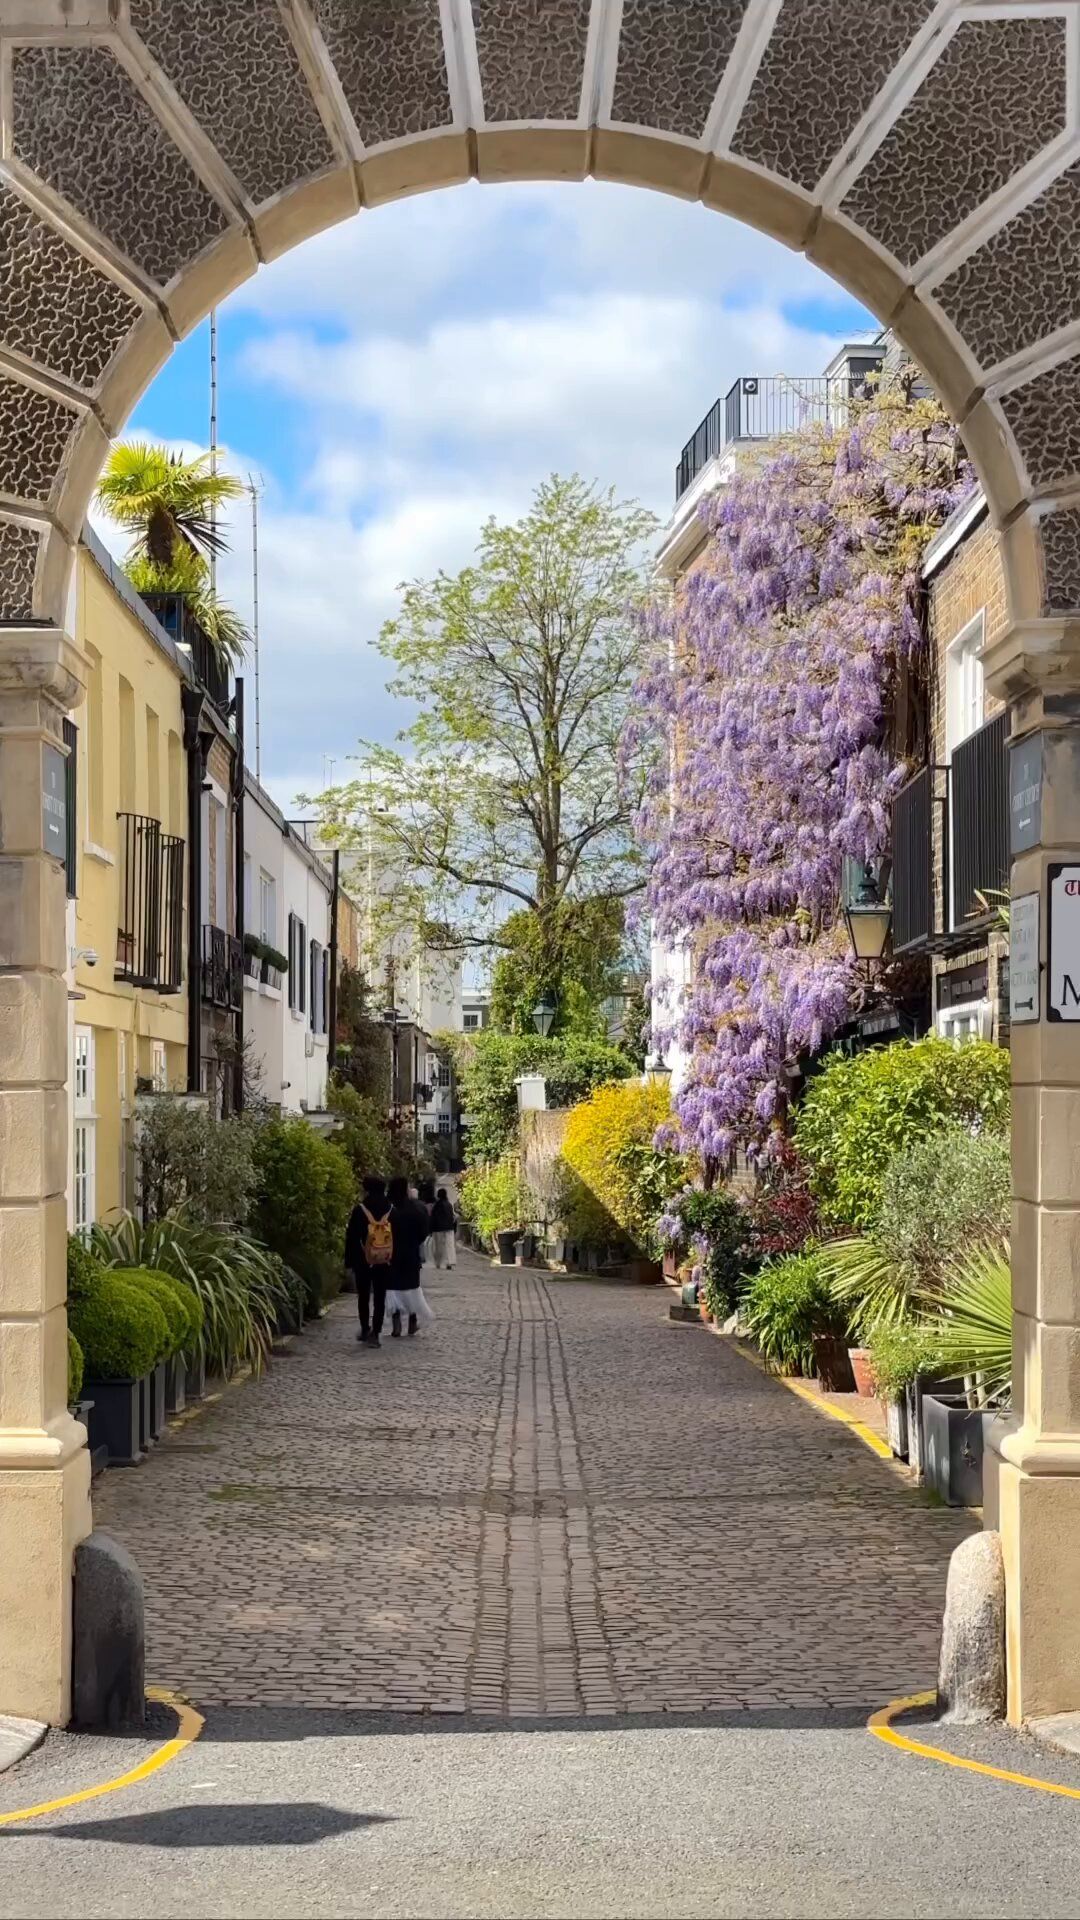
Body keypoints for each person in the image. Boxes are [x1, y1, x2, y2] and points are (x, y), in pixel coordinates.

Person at [344, 1174, 393, 1348]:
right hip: (385, 1260)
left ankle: (365, 1328)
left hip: (363, 1259)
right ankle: (376, 1333)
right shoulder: (390, 1209)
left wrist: (349, 1261)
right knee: (380, 1296)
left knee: (363, 1295)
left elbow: (351, 1237)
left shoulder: (360, 1210)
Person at [386, 1174, 434, 1337]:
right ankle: (412, 1322)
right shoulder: (416, 1208)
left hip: (391, 1255)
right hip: (411, 1254)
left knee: (393, 1288)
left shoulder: (389, 1209)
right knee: (412, 1288)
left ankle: (396, 1322)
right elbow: (424, 1231)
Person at [429, 1187, 457, 1270]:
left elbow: (433, 1218)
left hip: (439, 1229)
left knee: (438, 1247)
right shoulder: (449, 1204)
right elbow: (452, 1217)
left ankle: (438, 1262)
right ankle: (450, 1261)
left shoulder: (437, 1205)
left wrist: (431, 1229)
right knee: (449, 1246)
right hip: (449, 1228)